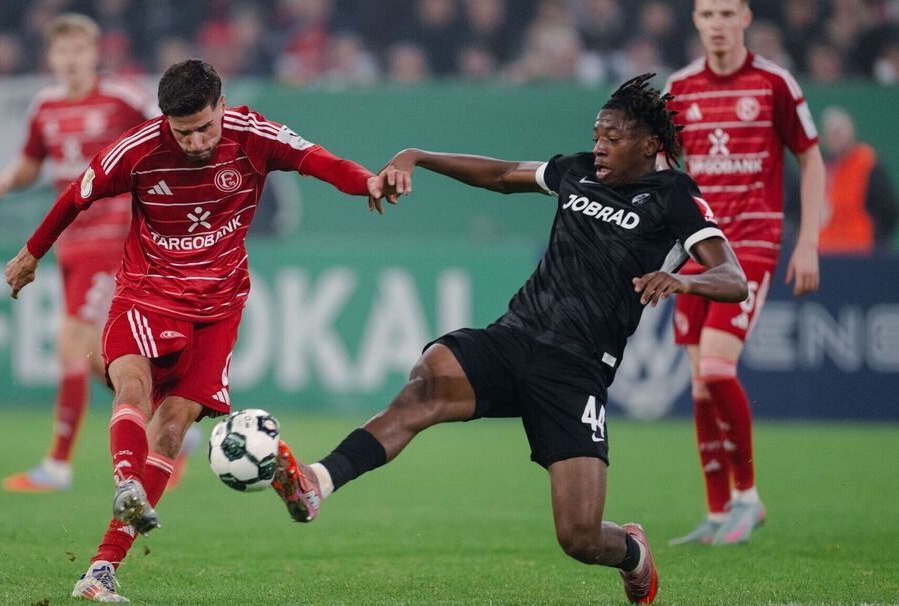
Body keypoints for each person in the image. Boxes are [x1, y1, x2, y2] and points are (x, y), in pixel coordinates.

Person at [271, 74, 749, 605]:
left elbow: (733, 279)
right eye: (597, 136)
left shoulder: (675, 196)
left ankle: (632, 551)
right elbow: (501, 175)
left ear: (649, 144)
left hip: (577, 369)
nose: (599, 147)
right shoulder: (577, 171)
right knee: (428, 381)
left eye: (613, 139)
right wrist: (419, 156)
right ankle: (318, 481)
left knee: (579, 537)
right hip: (516, 336)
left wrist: (685, 281)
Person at [4, 59, 384, 603]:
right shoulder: (137, 149)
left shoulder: (254, 135)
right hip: (146, 292)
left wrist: (367, 181)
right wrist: (31, 254)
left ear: (221, 105)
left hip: (217, 308)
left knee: (174, 424)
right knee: (132, 386)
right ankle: (127, 483)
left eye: (205, 128)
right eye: (183, 132)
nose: (196, 142)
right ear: (166, 121)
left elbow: (319, 161)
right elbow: (76, 195)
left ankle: (100, 571)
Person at [0, 14, 200, 493]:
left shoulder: (122, 97)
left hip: (113, 236)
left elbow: (169, 133)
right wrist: (7, 178)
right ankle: (173, 421)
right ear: (50, 56)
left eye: (79, 49)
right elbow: (31, 164)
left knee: (71, 340)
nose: (71, 59)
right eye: (63, 50)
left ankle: (58, 466)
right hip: (70, 241)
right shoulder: (45, 106)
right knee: (91, 354)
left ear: (95, 53)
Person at [664, 0, 825, 546]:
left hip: (752, 246)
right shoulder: (680, 88)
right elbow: (666, 168)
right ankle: (717, 512)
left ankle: (749, 498)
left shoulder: (774, 83)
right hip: (697, 248)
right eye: (708, 14)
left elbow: (811, 157)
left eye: (727, 13)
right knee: (700, 384)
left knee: (716, 368)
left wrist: (809, 242)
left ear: (746, 19)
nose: (718, 24)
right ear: (696, 20)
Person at [816, 106, 897, 253]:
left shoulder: (868, 163)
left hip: (859, 250)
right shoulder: (821, 167)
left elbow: (888, 210)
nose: (836, 137)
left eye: (840, 132)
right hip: (825, 250)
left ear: (851, 131)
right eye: (832, 133)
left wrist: (875, 240)